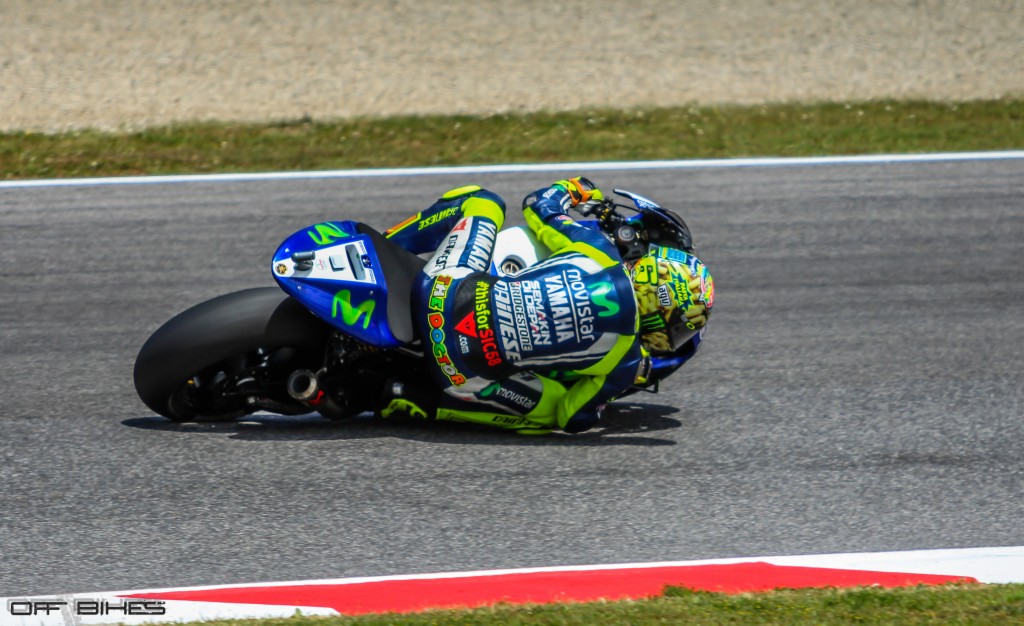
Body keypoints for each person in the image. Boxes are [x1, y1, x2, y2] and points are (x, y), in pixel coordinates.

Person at [379, 177, 714, 434]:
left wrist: (575, 189)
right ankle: (413, 397)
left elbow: (538, 203)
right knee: (552, 412)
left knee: (482, 201)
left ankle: (383, 249)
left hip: (441, 293)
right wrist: (605, 399)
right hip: (458, 373)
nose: (673, 338)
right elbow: (573, 418)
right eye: (678, 329)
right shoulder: (624, 365)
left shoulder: (597, 249)